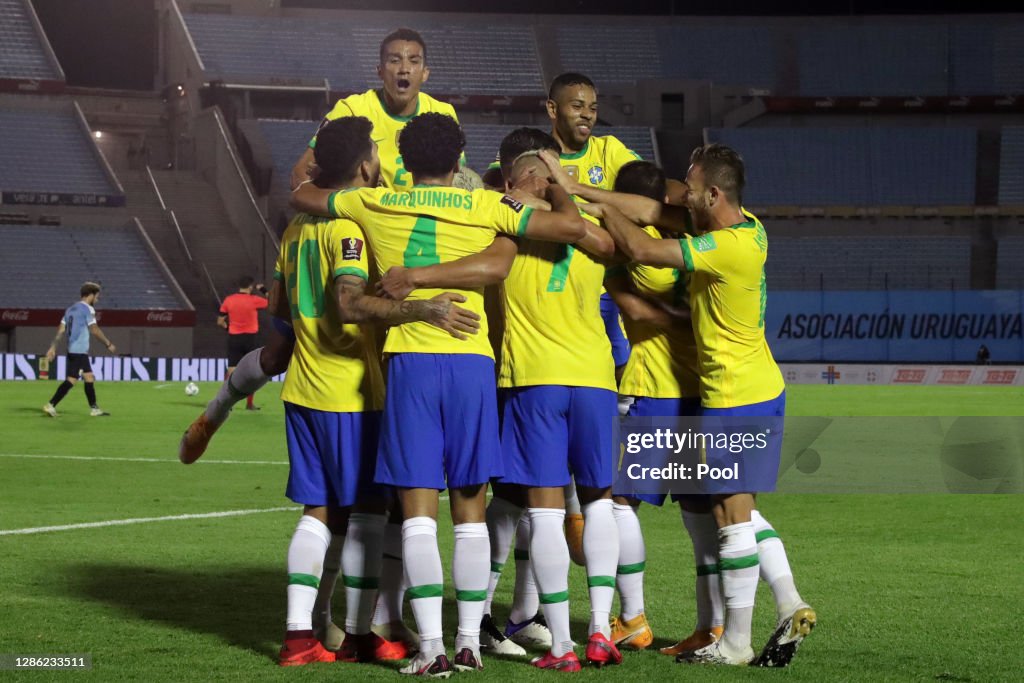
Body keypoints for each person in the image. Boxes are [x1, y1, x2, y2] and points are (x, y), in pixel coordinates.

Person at [291, 112, 589, 677]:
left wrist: (323, 155)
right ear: (459, 160)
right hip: (474, 360)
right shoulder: (485, 206)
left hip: (410, 361)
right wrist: (556, 177)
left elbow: (304, 193)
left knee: (418, 514)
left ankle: (431, 649)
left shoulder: (372, 203)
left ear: (404, 161)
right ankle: (470, 642)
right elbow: (571, 229)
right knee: (471, 513)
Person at [543, 143, 816, 667]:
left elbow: (643, 249)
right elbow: (650, 212)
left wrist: (597, 215)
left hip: (736, 394)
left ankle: (733, 641)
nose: (680, 192)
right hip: (746, 387)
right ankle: (784, 602)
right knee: (725, 510)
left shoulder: (722, 248)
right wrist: (580, 191)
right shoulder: (747, 226)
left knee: (730, 516)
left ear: (713, 194)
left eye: (689, 184)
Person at [272, 116, 481, 667]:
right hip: (350, 389)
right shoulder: (350, 227)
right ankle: (362, 630)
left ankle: (301, 635)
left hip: (302, 385)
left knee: (318, 511)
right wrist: (420, 308)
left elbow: (277, 313)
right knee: (368, 512)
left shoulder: (294, 228)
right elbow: (348, 302)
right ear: (367, 163)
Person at [290, 28, 460, 193]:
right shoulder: (352, 109)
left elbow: (457, 177)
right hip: (363, 218)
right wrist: (347, 205)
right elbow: (300, 174)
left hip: (420, 216)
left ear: (425, 73)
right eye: (394, 60)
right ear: (380, 71)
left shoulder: (443, 114)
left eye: (414, 61)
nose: (404, 69)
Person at [43, 282, 116, 417]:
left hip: (73, 350)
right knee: (72, 379)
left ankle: (94, 409)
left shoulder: (70, 309)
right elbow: (94, 330)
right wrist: (108, 343)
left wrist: (53, 347)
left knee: (89, 377)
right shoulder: (87, 309)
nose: (97, 300)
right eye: (97, 296)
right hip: (79, 351)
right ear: (91, 295)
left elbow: (61, 330)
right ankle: (50, 404)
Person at [218, 276, 268, 411]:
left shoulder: (229, 300)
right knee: (252, 372)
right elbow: (273, 301)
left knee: (231, 372)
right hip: (251, 339)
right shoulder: (254, 300)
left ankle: (225, 403)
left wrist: (229, 328)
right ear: (251, 287)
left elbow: (220, 321)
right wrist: (263, 289)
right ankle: (249, 404)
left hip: (234, 338)